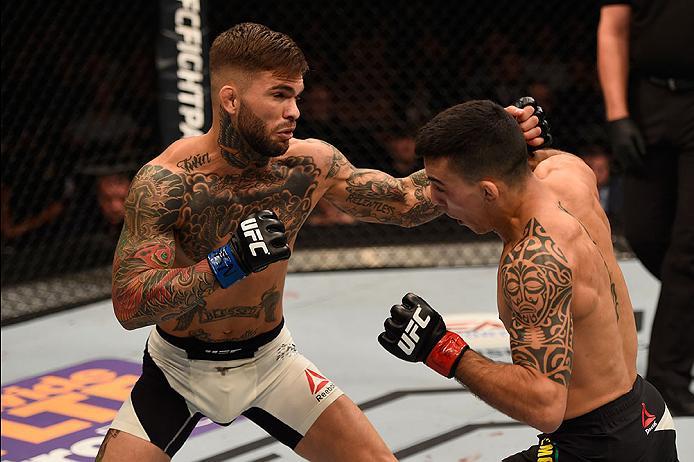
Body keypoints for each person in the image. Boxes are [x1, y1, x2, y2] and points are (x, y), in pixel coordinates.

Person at [97, 23, 547, 461]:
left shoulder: (309, 165)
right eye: (279, 95)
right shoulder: (166, 182)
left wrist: (487, 146)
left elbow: (407, 201)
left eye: (296, 95)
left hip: (270, 362)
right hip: (177, 369)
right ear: (230, 100)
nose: (294, 111)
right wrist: (227, 262)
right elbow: (130, 305)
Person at [377, 100, 679, 461]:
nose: (432, 198)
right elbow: (530, 160)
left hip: (597, 447)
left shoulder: (532, 263)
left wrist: (441, 349)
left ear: (489, 191)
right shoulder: (569, 173)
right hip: (644, 412)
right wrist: (515, 139)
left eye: (442, 187)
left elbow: (544, 405)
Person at [597, 0, 694, 416]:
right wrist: (618, 116)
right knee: (644, 232)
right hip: (650, 97)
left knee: (688, 255)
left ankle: (667, 381)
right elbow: (613, 29)